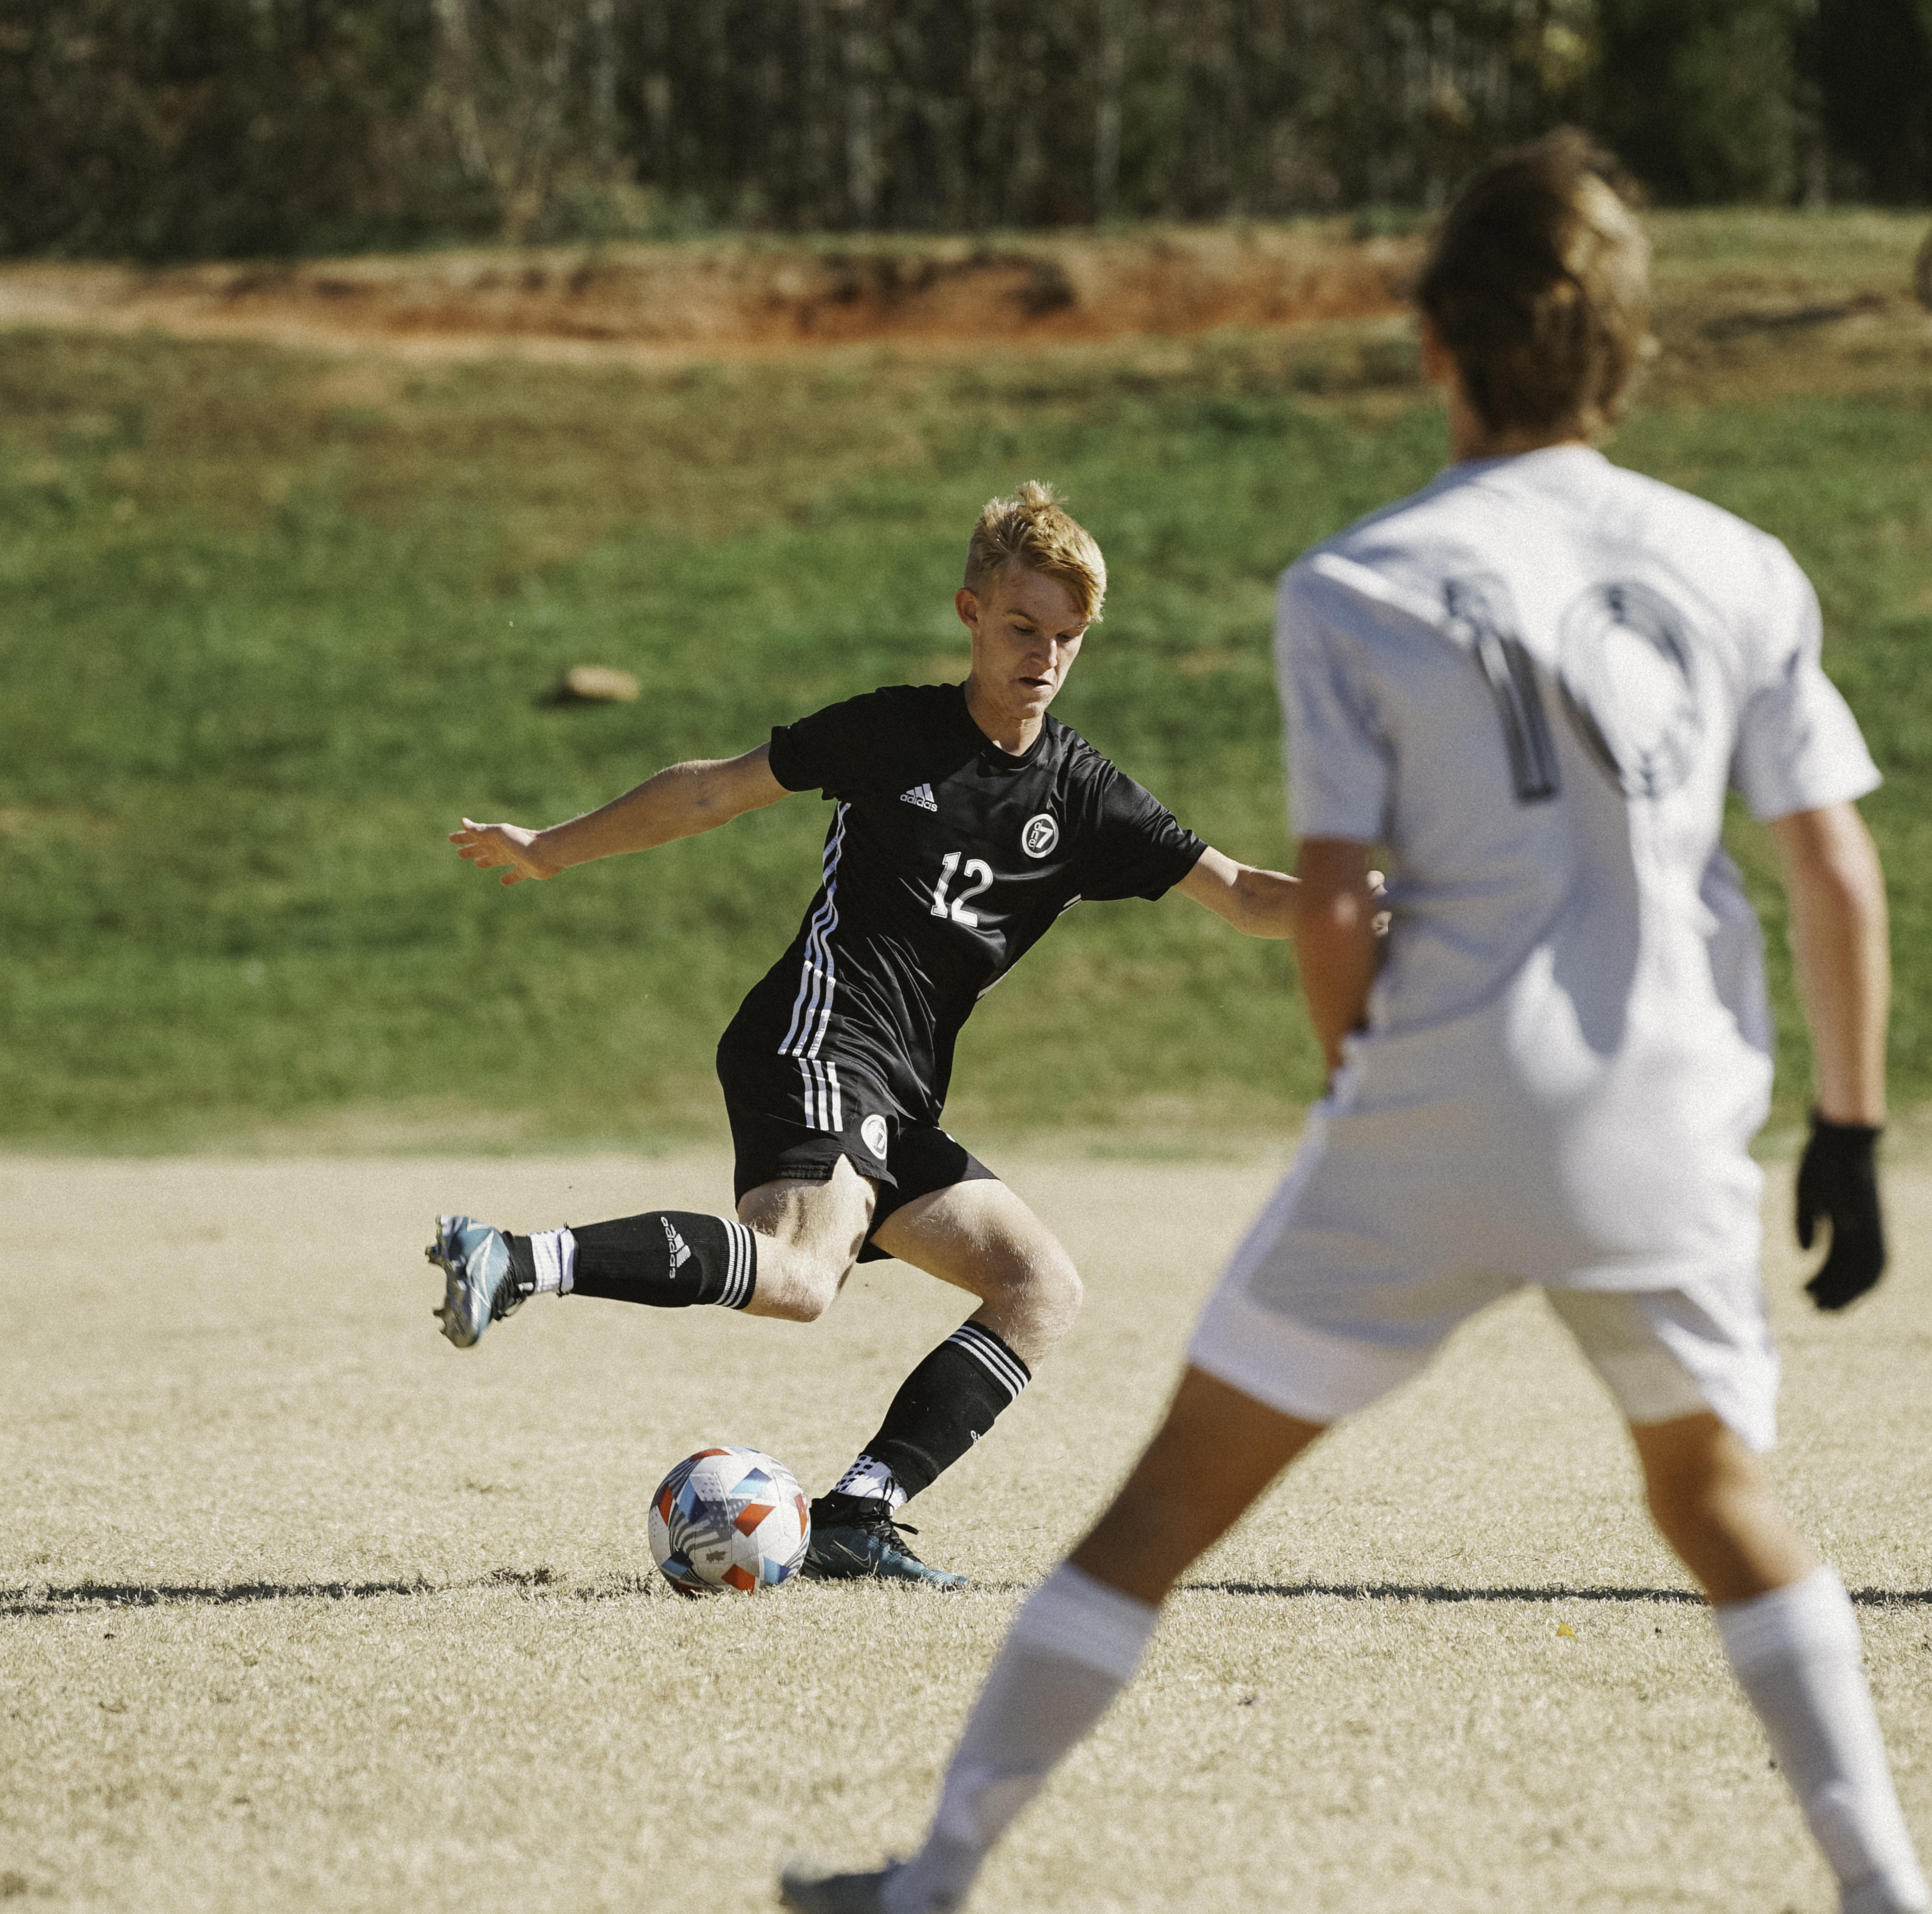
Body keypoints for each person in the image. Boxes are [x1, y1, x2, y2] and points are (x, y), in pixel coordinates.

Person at [781, 131, 1932, 1914]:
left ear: (1431, 346)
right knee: (1720, 1508)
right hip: (1661, 1116)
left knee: (1161, 1513)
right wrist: (1847, 1138)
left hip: (1434, 1108)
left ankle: (931, 1878)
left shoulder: (1356, 582)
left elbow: (1328, 905)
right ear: (1627, 353)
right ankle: (1886, 1892)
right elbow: (1833, 876)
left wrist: (1357, 1103)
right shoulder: (1736, 564)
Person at [431, 483, 1337, 1591]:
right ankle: (516, 1258)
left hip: (896, 1093)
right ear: (970, 611)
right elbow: (710, 792)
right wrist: (550, 849)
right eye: (1021, 627)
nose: (1044, 656)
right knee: (806, 1277)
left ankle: (862, 1510)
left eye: (1066, 637)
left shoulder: (1083, 792)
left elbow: (1243, 893)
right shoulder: (894, 731)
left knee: (1037, 1286)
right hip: (812, 1042)